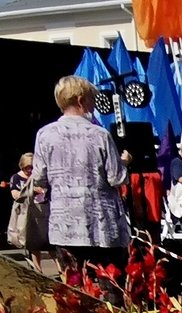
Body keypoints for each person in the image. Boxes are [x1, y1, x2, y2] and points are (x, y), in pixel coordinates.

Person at [29, 75, 130, 272]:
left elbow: (39, 176)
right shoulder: (99, 134)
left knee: (74, 288)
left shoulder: (44, 134)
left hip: (64, 224)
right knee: (108, 284)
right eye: (92, 100)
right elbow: (116, 177)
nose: (94, 106)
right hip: (101, 225)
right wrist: (125, 163)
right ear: (81, 101)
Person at [5, 151, 48, 264]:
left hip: (41, 210)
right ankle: (37, 270)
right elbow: (15, 195)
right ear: (22, 166)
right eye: (27, 167)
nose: (30, 171)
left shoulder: (39, 177)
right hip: (25, 213)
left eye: (32, 167)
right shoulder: (16, 178)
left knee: (48, 244)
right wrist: (31, 191)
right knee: (32, 244)